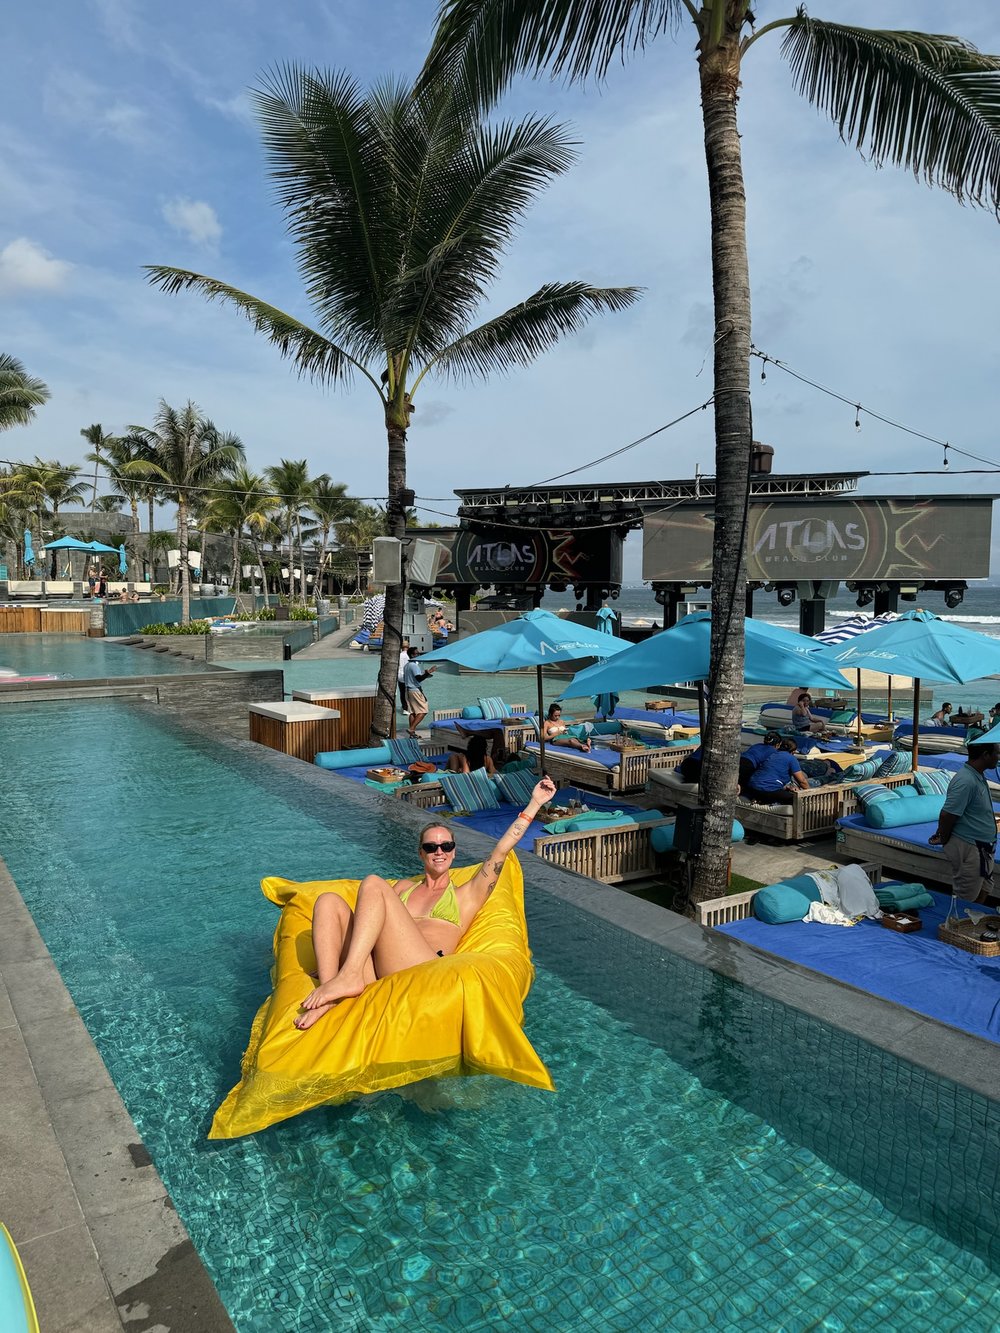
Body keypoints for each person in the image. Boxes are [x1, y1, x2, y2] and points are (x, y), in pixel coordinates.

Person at [295, 775, 558, 1028]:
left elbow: (502, 849)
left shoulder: (466, 895)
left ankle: (349, 975)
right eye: (431, 847)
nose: (439, 852)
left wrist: (534, 803)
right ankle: (329, 993)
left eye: (446, 846)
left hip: (424, 969)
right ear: (422, 853)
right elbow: (372, 928)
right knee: (328, 901)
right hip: (379, 967)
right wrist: (332, 951)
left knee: (374, 882)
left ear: (454, 852)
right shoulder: (403, 888)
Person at [929, 741, 1000, 904]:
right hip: (970, 847)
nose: (999, 757)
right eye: (997, 753)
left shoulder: (978, 776)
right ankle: (957, 925)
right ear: (985, 755)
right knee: (966, 897)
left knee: (985, 888)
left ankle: (971, 925)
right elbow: (947, 814)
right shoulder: (966, 780)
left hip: (984, 847)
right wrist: (944, 838)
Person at [744, 737, 809, 805]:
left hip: (752, 785)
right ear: (793, 751)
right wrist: (809, 792)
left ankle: (759, 800)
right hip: (767, 789)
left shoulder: (771, 754)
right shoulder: (791, 758)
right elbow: (802, 781)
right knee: (797, 801)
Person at [403, 647, 435, 737]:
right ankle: (411, 728)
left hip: (408, 691)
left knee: (413, 712)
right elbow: (419, 679)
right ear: (413, 655)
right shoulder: (414, 665)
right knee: (423, 711)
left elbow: (414, 678)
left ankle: (412, 734)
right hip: (415, 691)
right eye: (417, 653)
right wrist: (428, 672)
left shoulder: (407, 665)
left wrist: (425, 674)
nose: (419, 655)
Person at [397, 640, 411, 711]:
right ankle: (408, 708)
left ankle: (404, 707)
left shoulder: (398, 655)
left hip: (399, 676)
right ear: (408, 646)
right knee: (408, 693)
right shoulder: (409, 655)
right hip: (407, 676)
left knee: (402, 692)